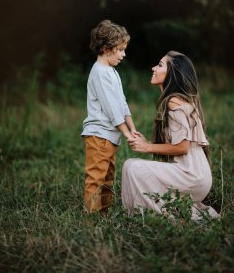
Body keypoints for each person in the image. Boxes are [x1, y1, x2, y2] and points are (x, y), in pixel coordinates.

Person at [122, 51, 219, 220]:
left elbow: (182, 147)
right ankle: (159, 216)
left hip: (191, 175)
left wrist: (147, 147)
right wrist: (148, 142)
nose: (153, 68)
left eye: (160, 65)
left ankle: (152, 219)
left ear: (172, 73)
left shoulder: (174, 102)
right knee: (133, 166)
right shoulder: (178, 100)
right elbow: (178, 144)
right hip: (196, 175)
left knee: (132, 167)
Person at [81, 20, 137, 214]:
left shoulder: (111, 71)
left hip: (110, 136)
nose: (123, 54)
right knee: (96, 177)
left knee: (108, 176)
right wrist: (125, 132)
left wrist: (132, 127)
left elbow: (121, 102)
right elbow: (112, 108)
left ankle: (104, 213)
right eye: (120, 50)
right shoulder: (99, 73)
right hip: (99, 134)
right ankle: (91, 217)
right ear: (106, 49)